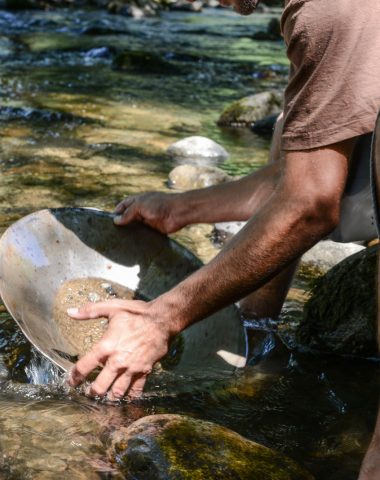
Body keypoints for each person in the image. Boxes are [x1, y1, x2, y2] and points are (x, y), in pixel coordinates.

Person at [66, 0, 380, 477]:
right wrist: (183, 208)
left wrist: (160, 319)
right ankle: (256, 337)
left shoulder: (327, 10)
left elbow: (310, 206)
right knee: (290, 129)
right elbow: (303, 172)